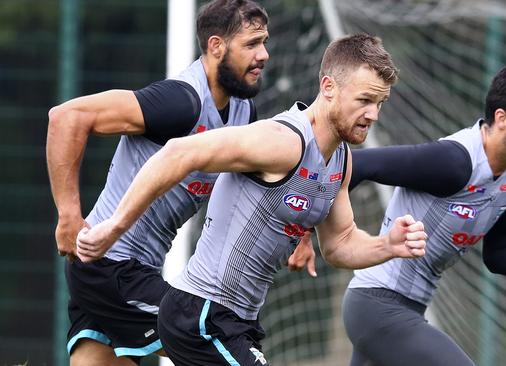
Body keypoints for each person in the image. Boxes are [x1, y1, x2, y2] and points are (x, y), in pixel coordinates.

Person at [76, 33, 428, 366]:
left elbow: (339, 244)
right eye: (364, 100)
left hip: (237, 323)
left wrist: (388, 245)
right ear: (329, 88)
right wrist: (115, 227)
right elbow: (177, 152)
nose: (374, 114)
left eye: (380, 102)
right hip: (201, 315)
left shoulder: (341, 160)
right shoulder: (282, 140)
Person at [45, 1, 305, 364]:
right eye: (251, 44)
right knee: (206, 338)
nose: (263, 54)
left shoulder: (245, 113)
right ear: (216, 46)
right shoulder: (180, 101)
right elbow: (66, 117)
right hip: (109, 266)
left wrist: (302, 233)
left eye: (264, 42)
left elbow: (267, 184)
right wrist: (69, 215)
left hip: (128, 271)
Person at [341, 61, 506, 366]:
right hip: (376, 306)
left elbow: (499, 255)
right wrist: (309, 233)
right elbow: (356, 164)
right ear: (502, 118)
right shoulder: (454, 162)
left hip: (406, 311)